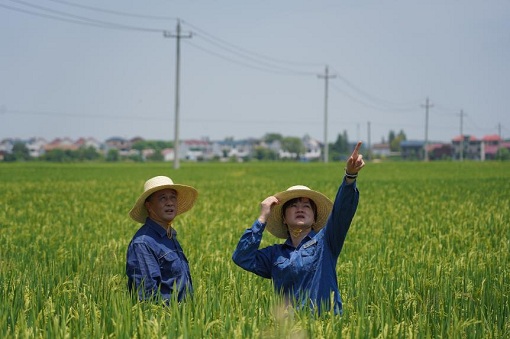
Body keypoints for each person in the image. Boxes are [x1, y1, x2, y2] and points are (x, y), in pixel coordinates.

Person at [232, 142, 365, 315]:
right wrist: (263, 217)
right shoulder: (275, 255)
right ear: (284, 218)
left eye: (306, 206)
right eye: (294, 205)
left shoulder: (326, 242)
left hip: (325, 325)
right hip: (292, 329)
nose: (300, 208)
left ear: (315, 218)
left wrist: (350, 176)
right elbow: (242, 257)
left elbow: (342, 212)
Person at [126, 175, 198, 304]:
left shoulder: (170, 236)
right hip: (165, 321)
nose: (169, 202)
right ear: (149, 206)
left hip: (184, 320)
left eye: (173, 197)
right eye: (162, 198)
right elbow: (146, 297)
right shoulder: (143, 243)